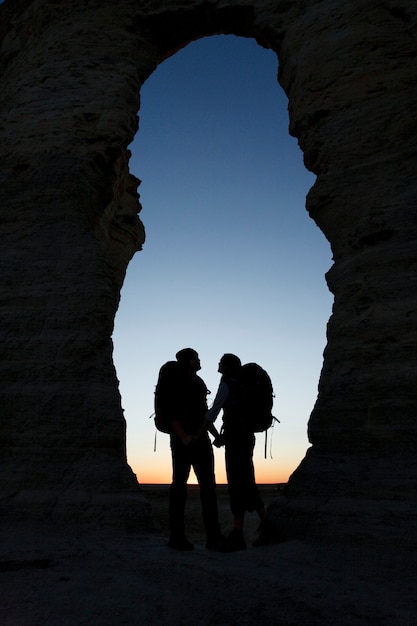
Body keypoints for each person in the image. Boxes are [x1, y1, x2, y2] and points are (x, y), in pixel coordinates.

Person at [200, 353, 274, 551]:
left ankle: (238, 535)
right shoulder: (245, 384)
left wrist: (202, 431)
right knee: (247, 480)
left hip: (235, 438)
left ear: (226, 366)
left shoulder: (227, 384)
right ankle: (267, 528)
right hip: (247, 436)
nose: (218, 365)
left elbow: (213, 411)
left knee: (236, 482)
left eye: (221, 362)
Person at [163, 348, 223, 551]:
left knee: (207, 488)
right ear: (189, 361)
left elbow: (203, 413)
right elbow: (168, 411)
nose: (199, 361)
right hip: (182, 440)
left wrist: (215, 436)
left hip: (199, 439)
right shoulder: (175, 381)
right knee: (180, 486)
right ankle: (177, 537)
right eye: (196, 358)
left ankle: (213, 538)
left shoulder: (198, 383)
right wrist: (184, 436)